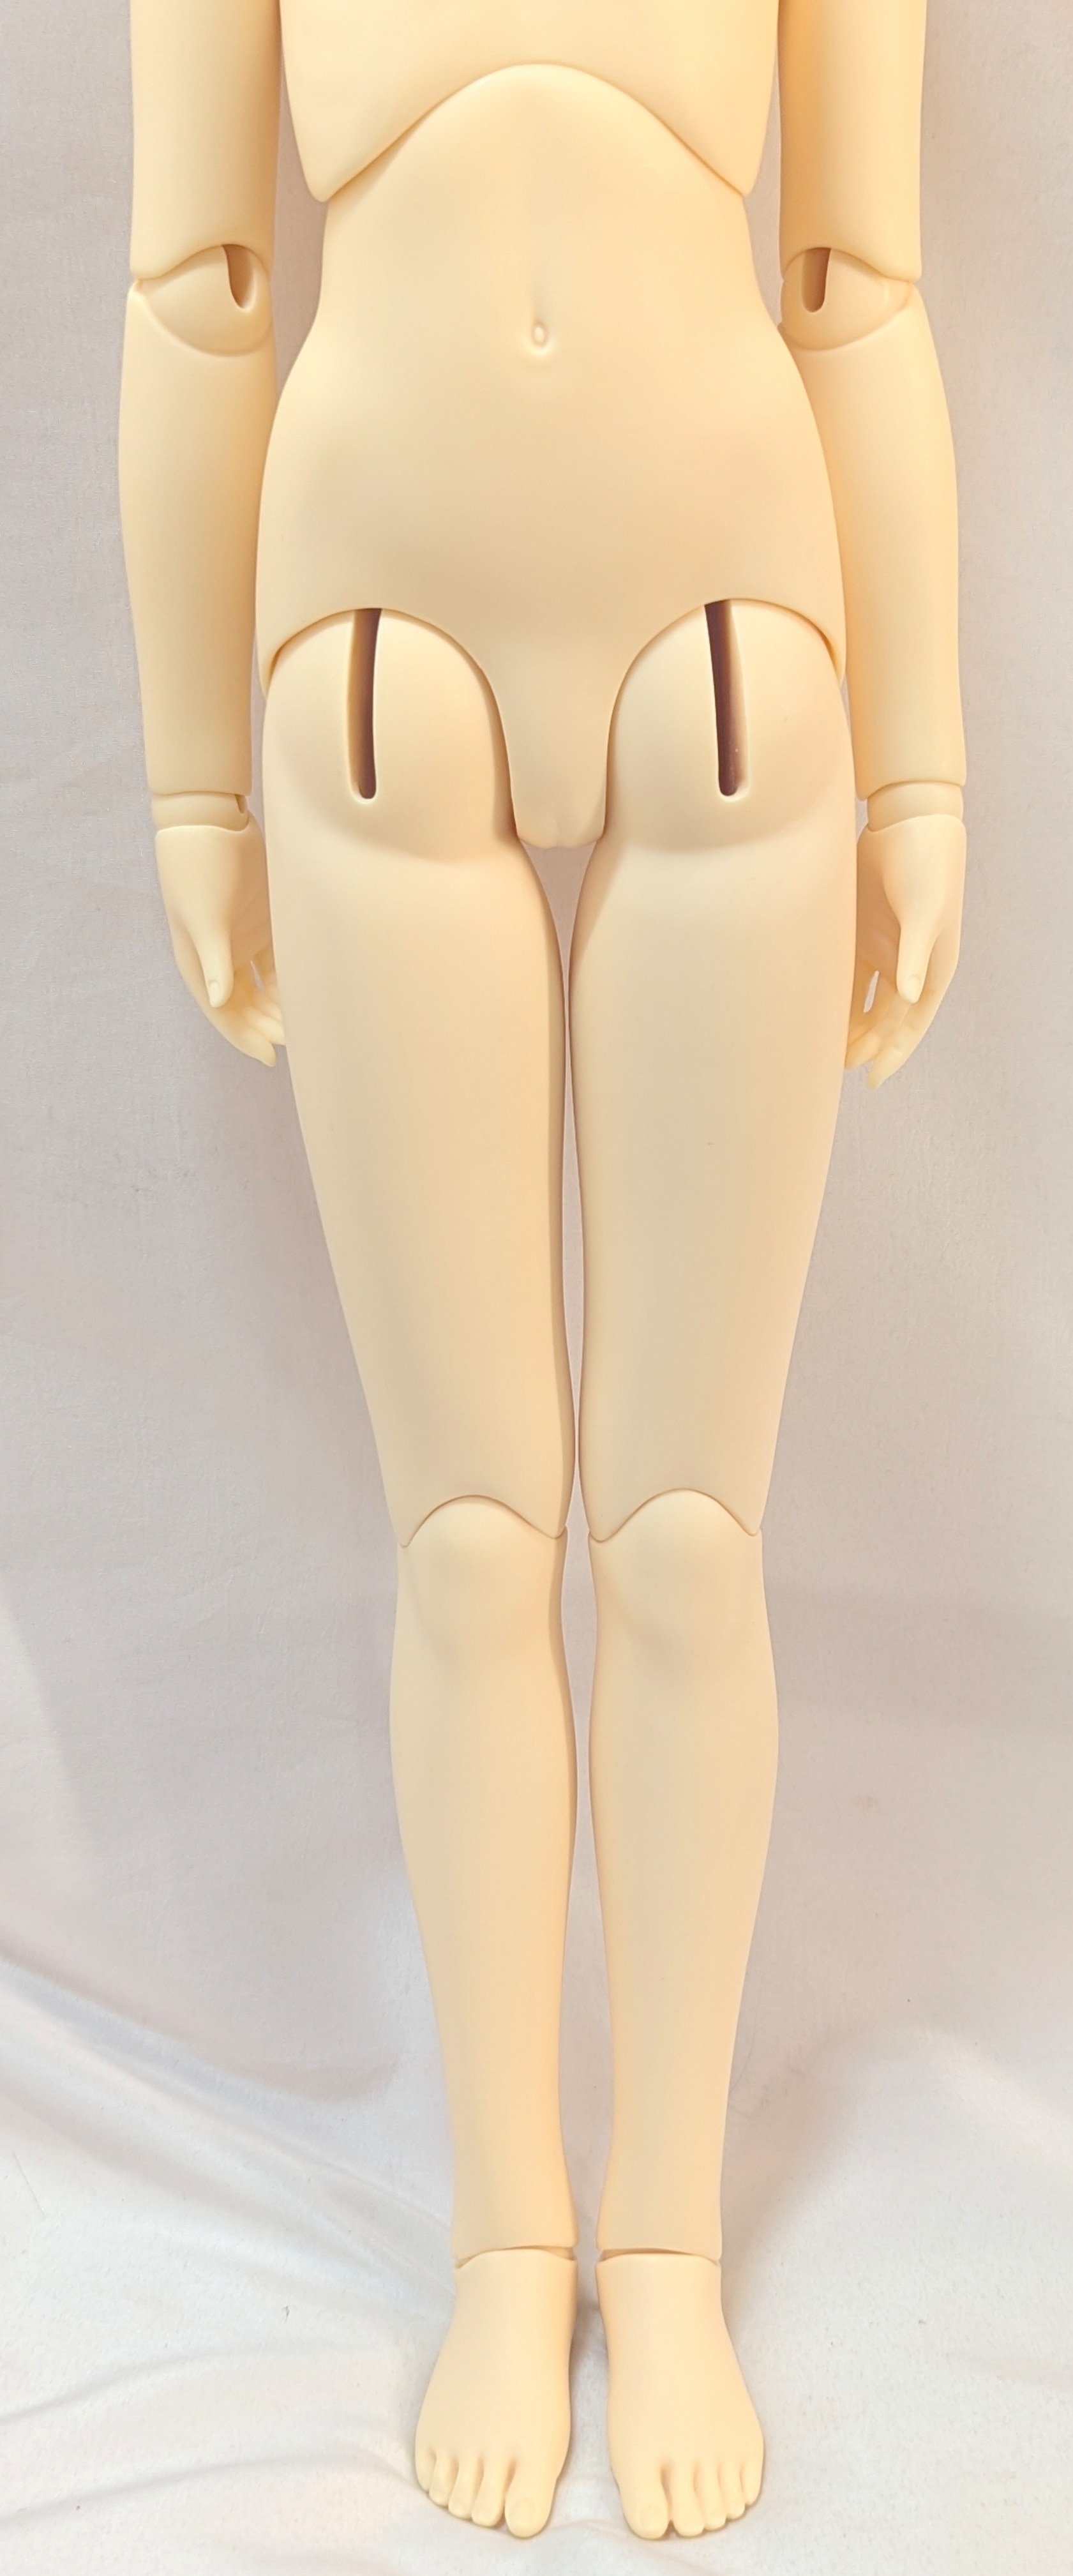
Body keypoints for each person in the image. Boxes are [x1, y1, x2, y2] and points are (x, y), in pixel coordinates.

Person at [119, 0, 965, 2540]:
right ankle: (515, 2231)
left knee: (685, 1531)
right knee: (474, 1536)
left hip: (742, 673)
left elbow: (857, 282)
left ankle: (666, 2233)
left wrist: (923, 761)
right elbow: (194, 285)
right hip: (371, 684)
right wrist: (189, 771)